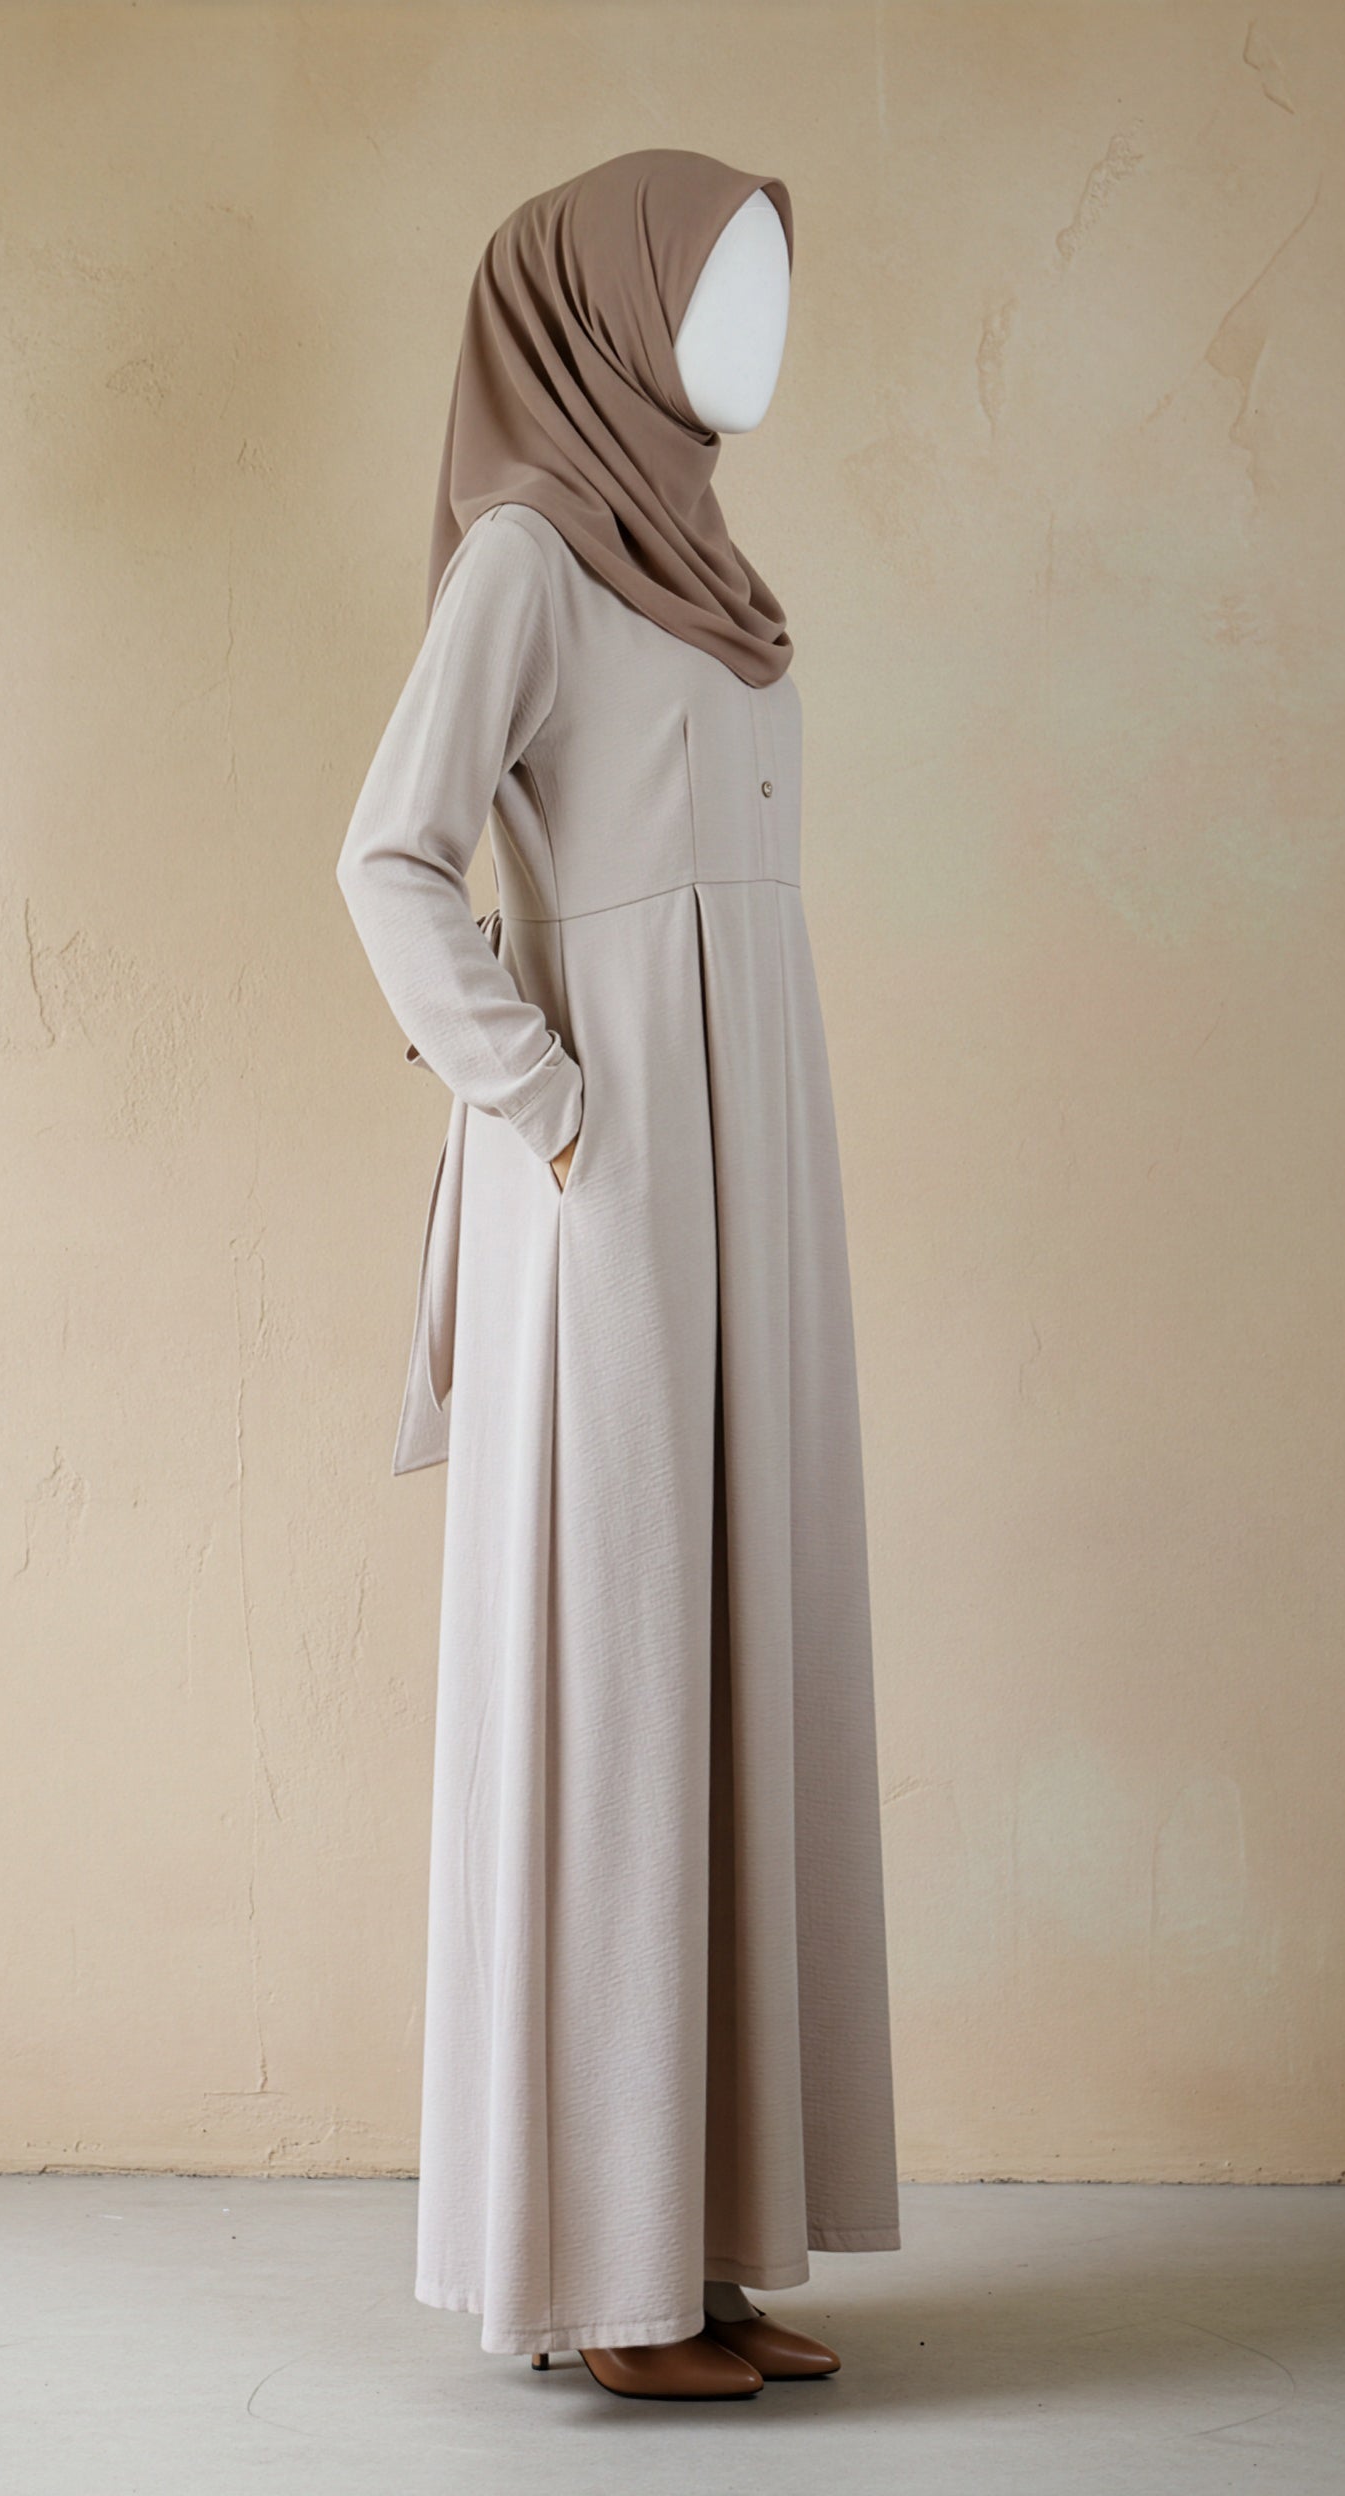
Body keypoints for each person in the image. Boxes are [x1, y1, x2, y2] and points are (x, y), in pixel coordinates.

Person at [337, 147, 899, 2403]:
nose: (760, 334)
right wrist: (549, 1104)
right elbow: (389, 855)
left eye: (774, 283)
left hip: (755, 1177)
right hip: (618, 1191)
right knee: (622, 1690)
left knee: (739, 1666)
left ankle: (713, 2242)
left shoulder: (712, 576)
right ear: (603, 320)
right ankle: (604, 2272)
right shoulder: (528, 563)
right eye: (719, 290)